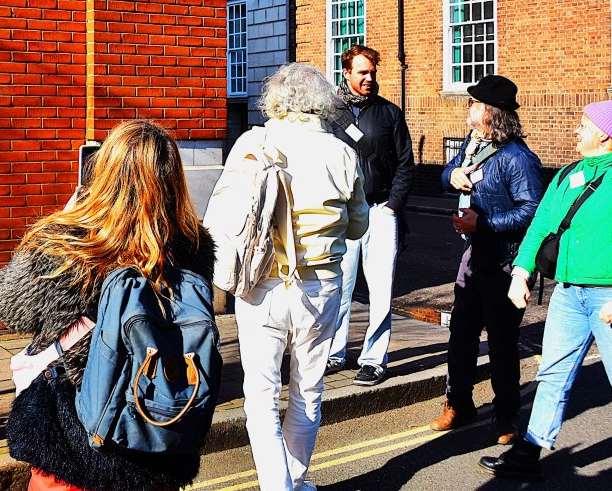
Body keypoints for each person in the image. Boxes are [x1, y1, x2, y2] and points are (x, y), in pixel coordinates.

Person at [0, 119, 217, 491]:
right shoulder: (194, 244)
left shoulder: (66, 240)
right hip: (155, 421)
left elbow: (9, 308)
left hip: (72, 435)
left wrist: (62, 219)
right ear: (173, 178)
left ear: (103, 171)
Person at [480, 99, 612, 491]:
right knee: (552, 375)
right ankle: (529, 454)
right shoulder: (569, 173)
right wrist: (521, 272)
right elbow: (541, 225)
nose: (576, 130)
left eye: (584, 125)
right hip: (568, 295)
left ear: (606, 136)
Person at [228, 63, 369, 491]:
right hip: (320, 286)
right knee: (308, 391)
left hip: (261, 285)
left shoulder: (254, 142)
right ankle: (297, 480)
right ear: (322, 102)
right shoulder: (342, 153)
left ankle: (279, 485)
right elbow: (358, 227)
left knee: (262, 397)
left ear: (275, 99)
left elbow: (228, 214)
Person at [429, 75, 543, 445]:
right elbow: (445, 176)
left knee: (502, 342)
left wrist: (484, 223)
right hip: (474, 256)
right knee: (461, 335)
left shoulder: (518, 158)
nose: (469, 108)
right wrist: (453, 174)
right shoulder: (473, 144)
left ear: (491, 113)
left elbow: (533, 211)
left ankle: (506, 415)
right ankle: (458, 404)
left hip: (505, 262)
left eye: (474, 103)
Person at [326, 45, 414, 386]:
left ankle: (374, 360)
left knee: (380, 292)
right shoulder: (329, 114)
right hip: (342, 214)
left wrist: (393, 204)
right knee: (338, 287)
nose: (368, 78)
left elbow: (405, 163)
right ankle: (334, 352)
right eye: (362, 72)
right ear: (346, 72)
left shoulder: (389, 113)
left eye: (372, 73)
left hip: (380, 210)